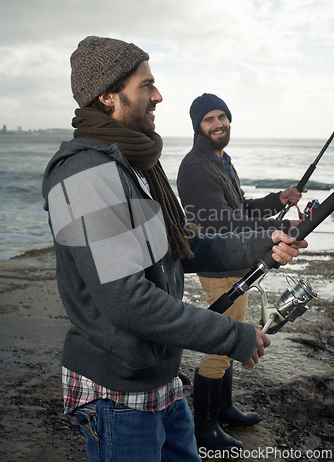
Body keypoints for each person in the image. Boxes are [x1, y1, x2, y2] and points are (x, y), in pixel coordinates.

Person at [42, 38, 307, 461]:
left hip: (161, 376)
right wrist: (231, 336)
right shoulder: (85, 174)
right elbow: (127, 302)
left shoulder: (134, 163)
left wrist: (262, 244)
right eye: (147, 85)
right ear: (107, 96)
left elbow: (177, 249)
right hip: (117, 391)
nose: (159, 95)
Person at [177, 92, 306, 451]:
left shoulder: (221, 159)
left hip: (237, 261)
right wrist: (271, 232)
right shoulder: (195, 167)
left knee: (231, 331)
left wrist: (277, 200)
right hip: (218, 264)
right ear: (198, 127)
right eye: (209, 119)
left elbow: (240, 207)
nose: (219, 123)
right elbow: (220, 222)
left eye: (222, 116)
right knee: (221, 343)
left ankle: (224, 408)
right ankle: (204, 429)